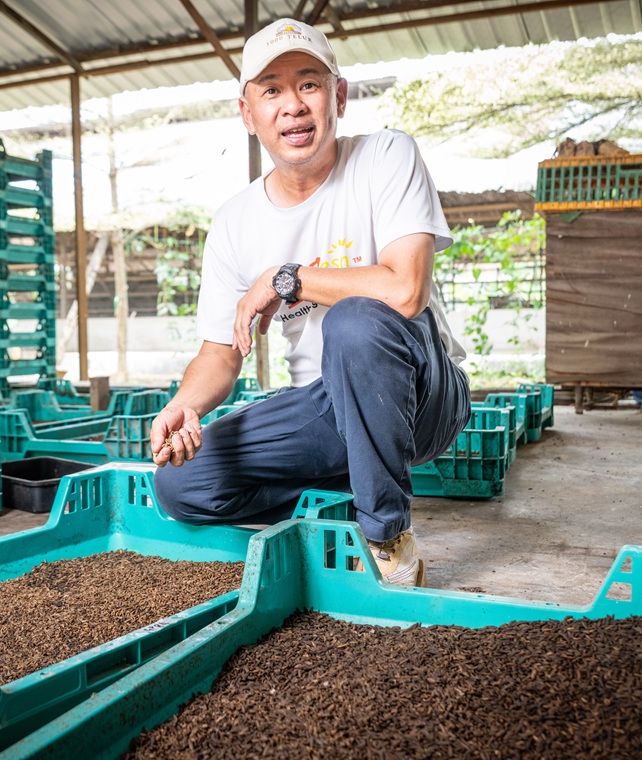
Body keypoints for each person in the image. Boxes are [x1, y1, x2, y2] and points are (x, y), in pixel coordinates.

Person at [149, 17, 471, 587]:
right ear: (248, 114)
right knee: (182, 483)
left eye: (309, 84)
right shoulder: (234, 221)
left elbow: (405, 290)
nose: (292, 105)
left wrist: (288, 279)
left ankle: (387, 541)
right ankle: (344, 499)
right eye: (271, 90)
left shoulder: (386, 155)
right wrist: (184, 404)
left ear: (338, 97)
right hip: (324, 408)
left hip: (423, 395)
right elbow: (221, 351)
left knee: (355, 321)